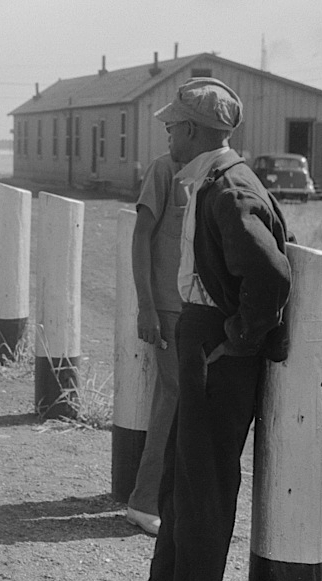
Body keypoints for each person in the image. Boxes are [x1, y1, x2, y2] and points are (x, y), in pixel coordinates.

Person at [89, 78, 292, 581]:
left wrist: (236, 341)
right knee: (182, 483)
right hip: (200, 338)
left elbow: (271, 277)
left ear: (198, 132)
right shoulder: (207, 182)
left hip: (217, 351)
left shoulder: (230, 190)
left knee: (203, 495)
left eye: (174, 125)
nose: (167, 132)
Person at [126, 154, 186, 536]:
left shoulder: (219, 168)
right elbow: (141, 235)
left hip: (199, 306)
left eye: (176, 124)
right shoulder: (165, 170)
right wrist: (147, 307)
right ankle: (144, 501)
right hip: (168, 306)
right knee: (173, 397)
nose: (169, 132)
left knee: (187, 401)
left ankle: (168, 498)